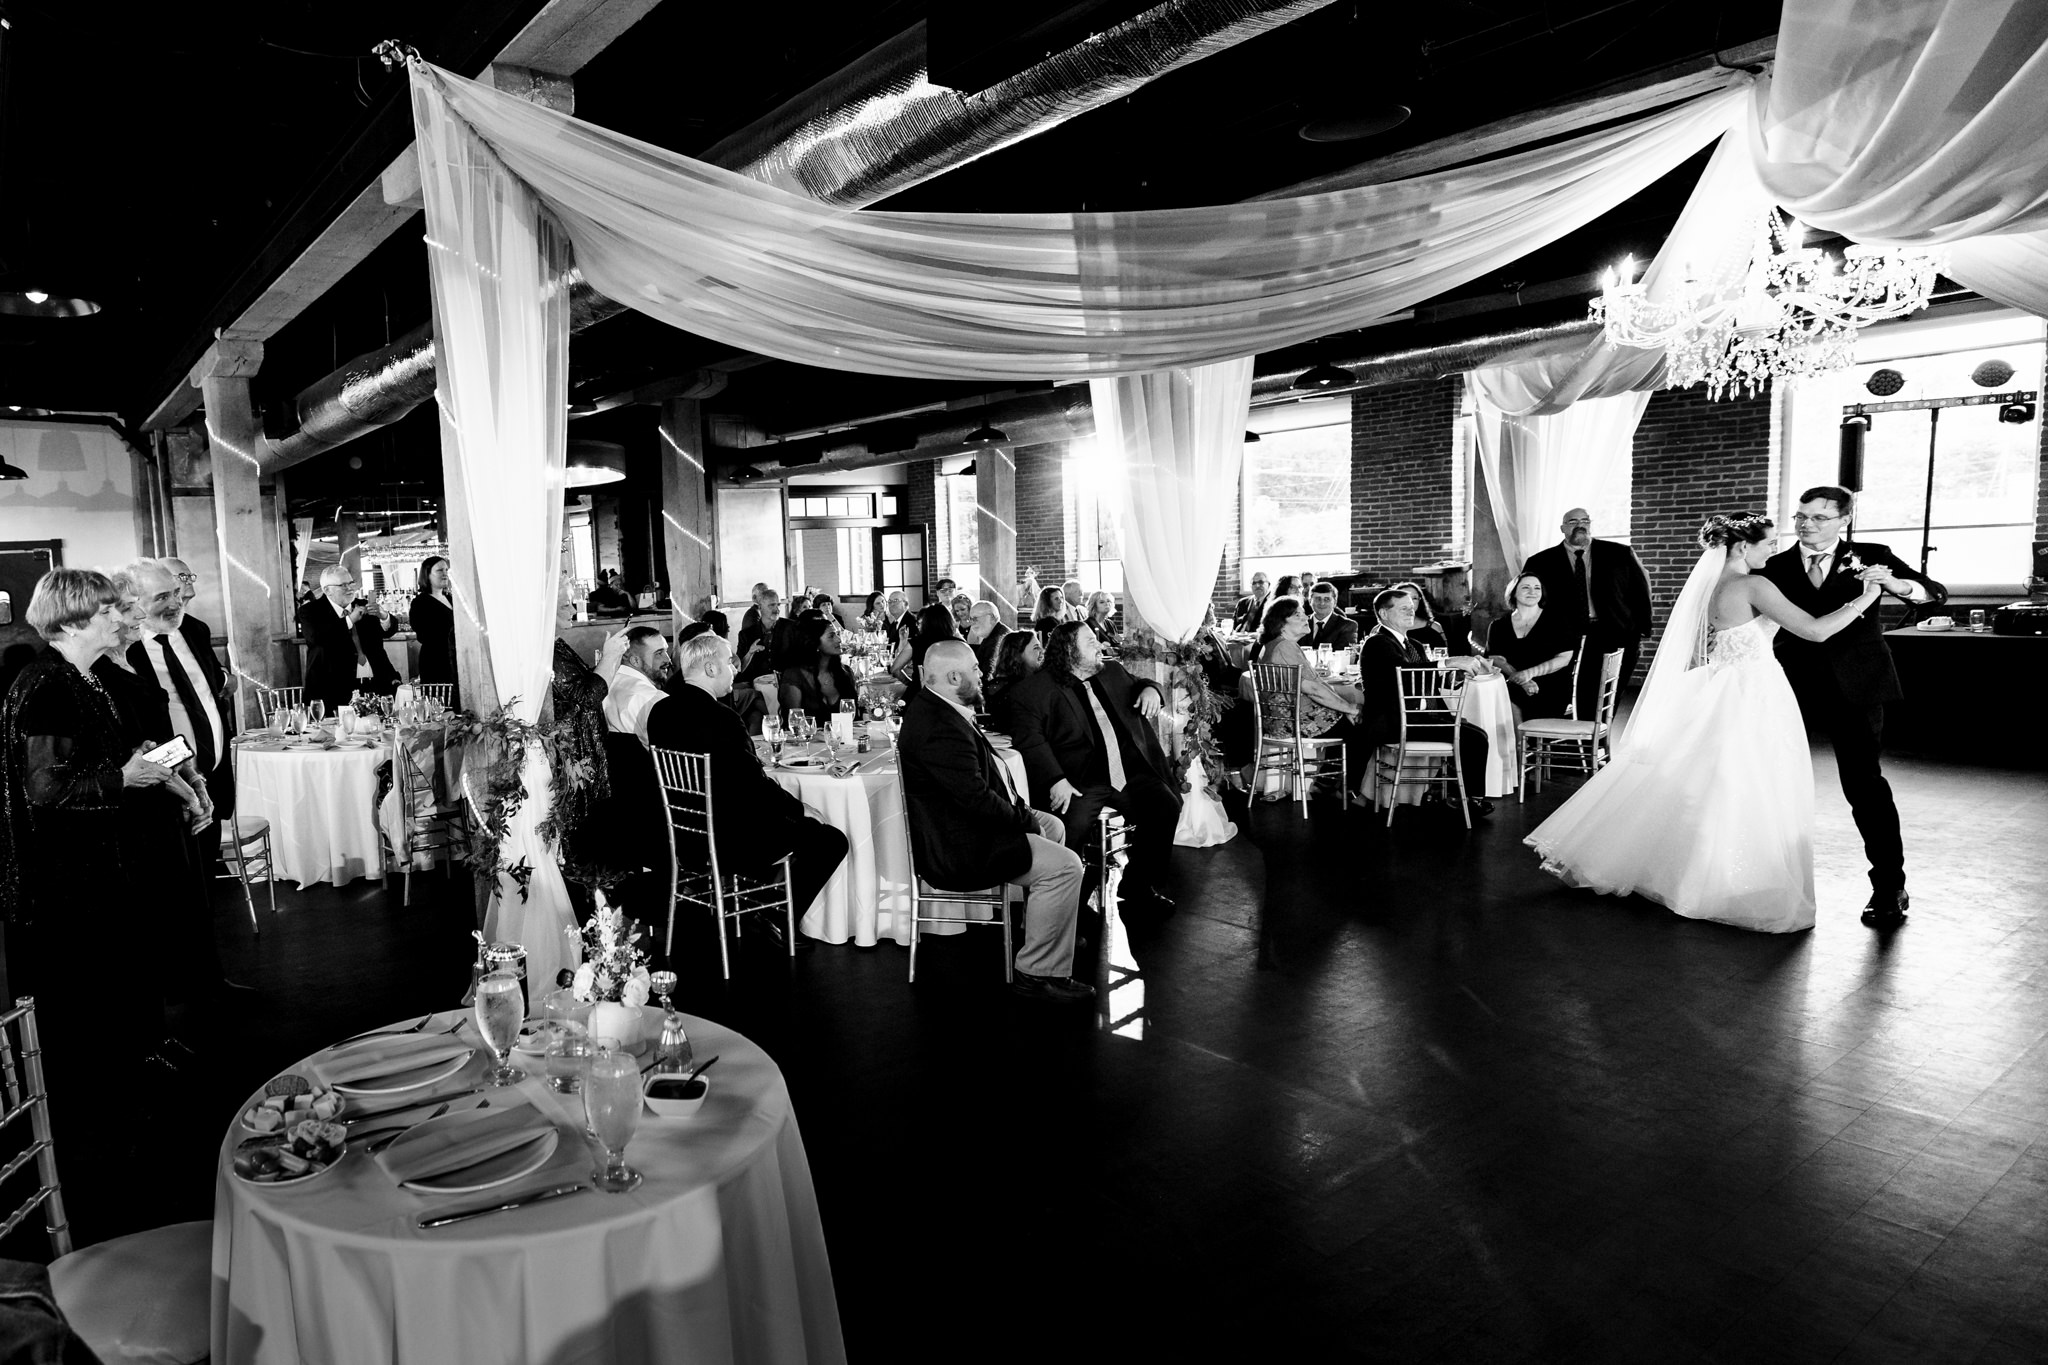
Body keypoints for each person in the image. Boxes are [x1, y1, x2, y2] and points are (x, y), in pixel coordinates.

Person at [1527, 512, 1888, 933]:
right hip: (1753, 691)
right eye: (1768, 543)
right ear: (1741, 547)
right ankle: (1724, 881)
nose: (1773, 549)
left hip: (1722, 685)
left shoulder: (1716, 585)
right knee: (1747, 781)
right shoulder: (1753, 584)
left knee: (1715, 780)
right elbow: (1814, 631)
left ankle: (1690, 870)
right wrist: (1866, 597)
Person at [1, 571, 206, 1163]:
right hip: (66, 877)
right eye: (109, 610)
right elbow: (42, 787)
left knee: (120, 973)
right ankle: (104, 1114)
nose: (123, 617)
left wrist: (137, 761)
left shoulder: (84, 678)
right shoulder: (46, 684)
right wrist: (123, 776)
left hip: (102, 861)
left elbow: (99, 755)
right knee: (87, 991)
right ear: (72, 619)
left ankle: (136, 1069)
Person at [1761, 486, 1944, 927]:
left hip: (1857, 685)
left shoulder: (1871, 554)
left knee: (1864, 785)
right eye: (1802, 516)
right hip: (1788, 683)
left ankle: (1889, 887)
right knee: (1766, 779)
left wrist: (1896, 585)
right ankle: (1760, 877)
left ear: (1844, 519)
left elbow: (1932, 593)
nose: (1807, 524)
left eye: (1820, 517)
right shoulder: (1773, 564)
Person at [899, 640, 1091, 1001]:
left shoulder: (938, 707)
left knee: (1055, 826)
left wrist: (1027, 818)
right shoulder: (938, 725)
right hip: (962, 844)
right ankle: (1037, 972)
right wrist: (1024, 820)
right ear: (954, 676)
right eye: (975, 669)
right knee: (1067, 866)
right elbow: (977, 801)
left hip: (967, 825)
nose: (982, 674)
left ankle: (1044, 927)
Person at [644, 634, 849, 927]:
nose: (735, 669)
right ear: (711, 669)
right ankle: (776, 916)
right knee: (830, 839)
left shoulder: (660, 711)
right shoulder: (721, 717)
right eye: (729, 662)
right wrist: (799, 809)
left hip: (682, 836)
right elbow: (754, 786)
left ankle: (759, 908)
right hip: (730, 840)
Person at [1007, 621, 1181, 916]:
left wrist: (1152, 690)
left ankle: (1138, 885)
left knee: (1166, 805)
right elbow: (1030, 740)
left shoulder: (1111, 671)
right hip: (1078, 778)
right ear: (1069, 651)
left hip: (1127, 771)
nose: (1100, 645)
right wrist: (1055, 779)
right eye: (1090, 642)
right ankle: (1064, 907)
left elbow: (1139, 683)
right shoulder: (1034, 689)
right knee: (1070, 828)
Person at [1356, 588, 1494, 817]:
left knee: (1476, 732)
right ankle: (1472, 800)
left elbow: (1426, 682)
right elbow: (1403, 672)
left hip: (1418, 718)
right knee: (1474, 738)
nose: (1411, 611)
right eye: (1404, 608)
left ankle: (1457, 794)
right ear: (1384, 613)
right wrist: (1449, 662)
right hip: (1392, 722)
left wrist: (1458, 674)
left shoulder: (1415, 645)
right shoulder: (1377, 643)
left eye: (1412, 607)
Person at [1520, 507, 1653, 718]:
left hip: (1614, 633)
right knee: (1571, 694)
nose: (1580, 525)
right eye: (1572, 521)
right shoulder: (1541, 562)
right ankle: (1575, 741)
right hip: (1565, 637)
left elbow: (1640, 591)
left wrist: (1641, 631)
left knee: (1608, 695)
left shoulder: (1619, 553)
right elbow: (1530, 599)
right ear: (1562, 528)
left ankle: (1596, 742)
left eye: (1584, 520)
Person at [1245, 596, 1371, 795]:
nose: (1306, 618)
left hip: (1284, 719)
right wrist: (1350, 708)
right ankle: (1347, 790)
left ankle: (1327, 783)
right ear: (1281, 622)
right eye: (1298, 615)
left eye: (1304, 614)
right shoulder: (1285, 647)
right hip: (1295, 721)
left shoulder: (1272, 645)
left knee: (1348, 722)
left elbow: (1318, 685)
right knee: (1366, 728)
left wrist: (1344, 708)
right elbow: (1312, 689)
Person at [297, 564, 400, 710]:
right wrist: (349, 620)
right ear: (327, 590)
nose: (350, 588)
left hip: (375, 686)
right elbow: (318, 638)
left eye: (351, 583)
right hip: (333, 689)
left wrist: (384, 616)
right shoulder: (310, 611)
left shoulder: (364, 605)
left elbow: (388, 631)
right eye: (343, 585)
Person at [1485, 574, 1577, 721]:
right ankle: (1522, 742)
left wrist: (1529, 673)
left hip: (1551, 685)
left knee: (1508, 695)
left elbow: (1564, 658)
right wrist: (1524, 680)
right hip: (1514, 681)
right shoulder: (1498, 625)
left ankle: (1519, 743)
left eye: (1537, 588)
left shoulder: (1558, 621)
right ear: (1513, 592)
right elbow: (1496, 659)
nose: (1532, 592)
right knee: (1501, 693)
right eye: (1526, 587)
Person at [779, 613, 858, 725]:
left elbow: (854, 718)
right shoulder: (795, 676)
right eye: (831, 636)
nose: (839, 640)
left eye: (837, 634)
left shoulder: (845, 672)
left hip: (843, 739)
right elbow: (793, 722)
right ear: (815, 643)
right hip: (807, 740)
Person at [602, 626, 671, 744]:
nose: (668, 659)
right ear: (635, 661)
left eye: (666, 651)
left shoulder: (605, 686)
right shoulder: (655, 700)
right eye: (659, 653)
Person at [410, 556, 457, 693]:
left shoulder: (450, 598)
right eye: (440, 570)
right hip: (435, 661)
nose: (445, 573)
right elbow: (423, 634)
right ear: (427, 575)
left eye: (446, 569)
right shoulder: (420, 602)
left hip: (454, 658)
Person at [983, 630, 1042, 733]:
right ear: (1017, 655)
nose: (1042, 651)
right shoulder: (1012, 690)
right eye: (1036, 648)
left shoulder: (998, 685)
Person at [908, 602, 958, 689]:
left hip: (921, 694)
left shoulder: (917, 642)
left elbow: (895, 670)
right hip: (951, 694)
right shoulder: (958, 644)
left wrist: (912, 684)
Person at [1301, 581, 1358, 651]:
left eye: (1327, 599)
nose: (1322, 603)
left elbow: (1342, 654)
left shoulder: (1347, 625)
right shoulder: (1300, 623)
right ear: (1310, 601)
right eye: (1318, 599)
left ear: (1335, 602)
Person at [965, 600, 1010, 676]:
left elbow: (986, 676)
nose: (972, 623)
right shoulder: (994, 634)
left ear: (992, 618)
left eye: (976, 618)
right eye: (971, 619)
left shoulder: (998, 641)